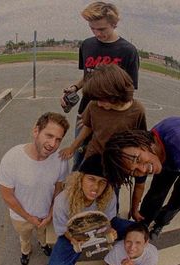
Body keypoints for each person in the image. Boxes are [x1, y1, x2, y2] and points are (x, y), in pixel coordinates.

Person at [103, 116, 180, 264]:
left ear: (143, 143)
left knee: (178, 200)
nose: (142, 169)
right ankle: (143, 226)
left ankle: (161, 222)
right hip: (167, 159)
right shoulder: (150, 151)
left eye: (137, 159)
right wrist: (135, 210)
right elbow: (139, 182)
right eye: (134, 172)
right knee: (155, 194)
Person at [60, 1, 139, 170]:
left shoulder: (128, 51)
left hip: (111, 118)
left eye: (102, 29)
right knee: (79, 158)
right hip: (85, 114)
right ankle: (77, 193)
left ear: (114, 23)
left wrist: (112, 112)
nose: (97, 33)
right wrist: (74, 88)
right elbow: (87, 76)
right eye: (92, 29)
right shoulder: (87, 45)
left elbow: (129, 92)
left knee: (107, 162)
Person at [0, 112, 70, 265]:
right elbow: (7, 196)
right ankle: (25, 251)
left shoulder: (60, 160)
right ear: (36, 131)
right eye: (49, 135)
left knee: (42, 234)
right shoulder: (12, 159)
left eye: (58, 139)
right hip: (21, 217)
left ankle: (43, 245)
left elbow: (59, 189)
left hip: (46, 215)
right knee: (24, 237)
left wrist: (50, 213)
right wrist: (29, 217)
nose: (53, 144)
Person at [48, 154, 121, 265]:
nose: (96, 187)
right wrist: (74, 239)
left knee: (135, 230)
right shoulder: (62, 201)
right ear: (80, 178)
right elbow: (62, 229)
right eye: (91, 179)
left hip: (99, 228)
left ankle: (127, 256)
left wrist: (110, 230)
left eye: (102, 182)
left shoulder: (109, 195)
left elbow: (109, 220)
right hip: (73, 235)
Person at [59, 64, 146, 161]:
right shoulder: (94, 104)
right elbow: (88, 127)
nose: (99, 104)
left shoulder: (137, 110)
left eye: (102, 100)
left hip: (118, 161)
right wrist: (72, 147)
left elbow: (140, 138)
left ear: (116, 94)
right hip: (93, 155)